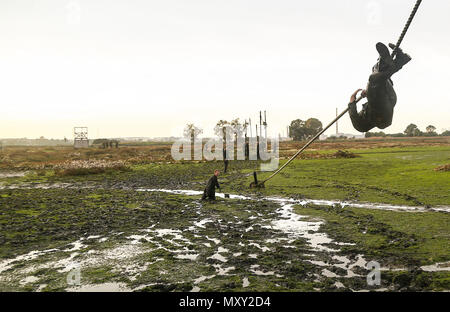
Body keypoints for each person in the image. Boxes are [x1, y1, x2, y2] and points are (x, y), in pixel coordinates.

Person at [348, 42, 412, 132]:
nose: (362, 111)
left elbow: (375, 98)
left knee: (376, 71)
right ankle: (397, 63)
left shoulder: (368, 113)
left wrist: (367, 93)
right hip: (384, 111)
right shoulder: (362, 124)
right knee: (373, 78)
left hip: (389, 99)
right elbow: (353, 114)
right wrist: (352, 102)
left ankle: (400, 59)